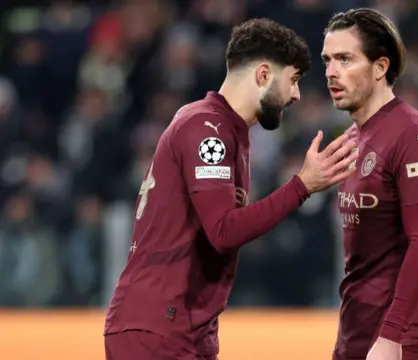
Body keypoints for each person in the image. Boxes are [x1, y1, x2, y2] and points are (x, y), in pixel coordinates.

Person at [103, 18, 358, 360]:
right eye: (293, 80)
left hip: (185, 329)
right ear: (264, 75)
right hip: (158, 329)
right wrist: (302, 186)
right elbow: (222, 231)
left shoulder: (226, 131)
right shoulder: (207, 129)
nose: (296, 94)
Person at [321, 8, 418, 360]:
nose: (331, 72)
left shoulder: (415, 135)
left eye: (345, 59)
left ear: (381, 67)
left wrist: (391, 336)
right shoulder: (351, 139)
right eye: (328, 61)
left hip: (404, 343)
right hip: (356, 338)